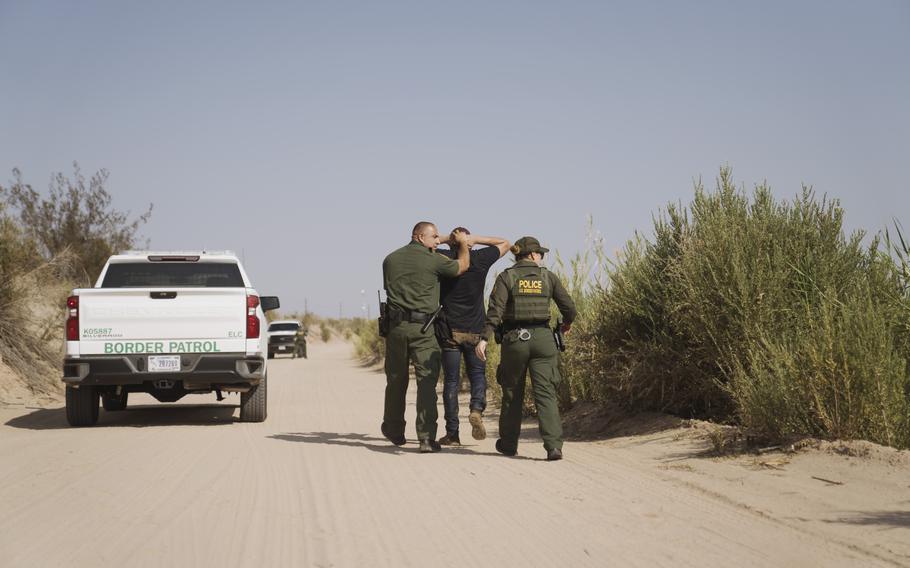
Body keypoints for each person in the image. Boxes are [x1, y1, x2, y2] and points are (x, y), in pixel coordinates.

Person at [476, 236, 576, 461]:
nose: (541, 257)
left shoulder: (506, 277)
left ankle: (509, 444)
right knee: (546, 393)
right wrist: (566, 323)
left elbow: (495, 310)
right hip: (543, 339)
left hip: (515, 340)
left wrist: (484, 338)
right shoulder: (548, 277)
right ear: (532, 255)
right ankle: (553, 446)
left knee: (512, 393)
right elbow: (569, 308)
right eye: (540, 253)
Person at [381, 222, 470, 453]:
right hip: (423, 330)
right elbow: (462, 267)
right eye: (434, 237)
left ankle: (393, 428)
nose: (437, 241)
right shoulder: (433, 260)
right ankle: (426, 438)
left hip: (396, 328)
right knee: (427, 382)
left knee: (396, 380)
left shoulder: (390, 259)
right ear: (420, 237)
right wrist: (461, 245)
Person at [435, 228, 510, 445]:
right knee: (477, 375)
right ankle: (477, 409)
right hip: (476, 330)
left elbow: (425, 246)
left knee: (450, 381)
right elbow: (505, 242)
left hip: (449, 331)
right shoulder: (480, 258)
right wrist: (473, 240)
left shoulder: (446, 259)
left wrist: (452, 240)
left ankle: (452, 434)